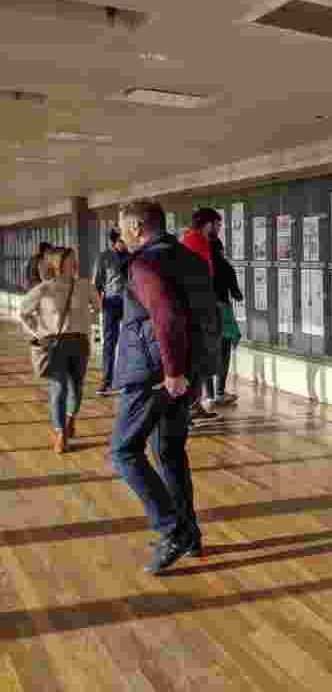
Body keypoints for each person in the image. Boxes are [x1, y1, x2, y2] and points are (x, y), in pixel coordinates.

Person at [111, 199, 222, 574]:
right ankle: (190, 534)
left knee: (124, 452)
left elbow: (167, 316)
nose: (121, 235)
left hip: (156, 374)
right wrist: (189, 373)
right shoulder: (188, 258)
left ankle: (171, 529)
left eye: (123, 229)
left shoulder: (145, 263)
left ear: (138, 229)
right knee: (170, 451)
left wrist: (172, 372)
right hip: (186, 372)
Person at [19, 247, 100, 454]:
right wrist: (38, 334)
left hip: (80, 343)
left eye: (76, 260)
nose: (75, 263)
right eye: (71, 260)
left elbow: (98, 307)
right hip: (55, 344)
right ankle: (60, 433)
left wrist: (87, 321)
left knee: (77, 387)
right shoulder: (44, 289)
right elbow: (24, 313)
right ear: (58, 264)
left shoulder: (85, 286)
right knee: (59, 388)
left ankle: (71, 418)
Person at [181, 208, 221, 424]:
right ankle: (187, 409)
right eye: (218, 225)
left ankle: (194, 405)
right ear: (209, 224)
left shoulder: (198, 241)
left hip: (201, 307)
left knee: (200, 361)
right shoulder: (193, 242)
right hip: (197, 311)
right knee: (196, 360)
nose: (219, 229)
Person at [208, 220, 243, 406]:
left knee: (206, 353)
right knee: (224, 352)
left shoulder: (202, 266)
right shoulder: (226, 267)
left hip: (205, 314)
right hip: (222, 312)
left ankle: (208, 394)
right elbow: (237, 294)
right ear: (221, 250)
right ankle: (220, 392)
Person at [94, 228, 130, 396]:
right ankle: (106, 381)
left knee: (129, 341)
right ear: (115, 241)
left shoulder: (132, 255)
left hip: (130, 302)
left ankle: (125, 379)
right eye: (123, 240)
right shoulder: (104, 257)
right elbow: (98, 283)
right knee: (110, 342)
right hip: (111, 302)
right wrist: (98, 304)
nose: (126, 243)